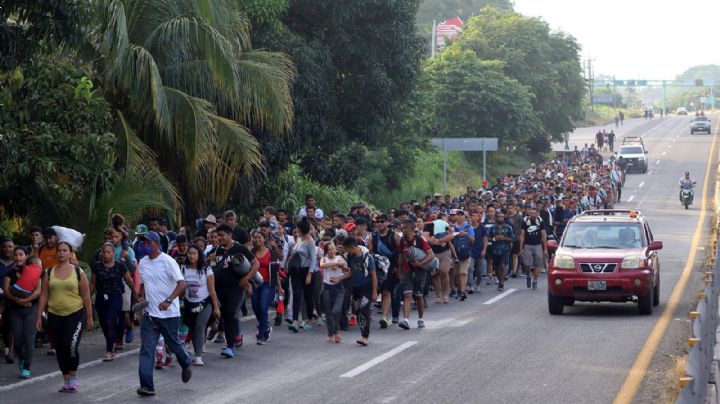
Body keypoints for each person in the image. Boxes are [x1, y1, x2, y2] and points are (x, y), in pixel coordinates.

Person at [135, 231, 192, 396]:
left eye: (147, 242)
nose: (144, 245)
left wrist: (169, 300)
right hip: (150, 315)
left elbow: (182, 284)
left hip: (169, 315)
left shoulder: (168, 261)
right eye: (142, 242)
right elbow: (144, 284)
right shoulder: (143, 263)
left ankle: (185, 361)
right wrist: (141, 298)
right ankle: (147, 386)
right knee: (147, 349)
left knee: (173, 344)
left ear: (157, 243)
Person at [35, 242, 93, 393]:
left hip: (75, 314)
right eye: (58, 251)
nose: (61, 253)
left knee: (71, 346)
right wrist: (39, 316)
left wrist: (89, 317)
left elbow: (86, 296)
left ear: (70, 253)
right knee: (60, 349)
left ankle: (74, 376)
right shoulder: (49, 272)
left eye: (64, 250)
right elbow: (44, 295)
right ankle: (66, 379)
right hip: (54, 315)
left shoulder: (78, 272)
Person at [213, 223, 258, 358]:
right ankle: (233, 337)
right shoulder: (217, 250)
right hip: (219, 288)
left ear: (230, 235)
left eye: (222, 235)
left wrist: (247, 279)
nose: (219, 238)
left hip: (236, 288)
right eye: (218, 235)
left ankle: (230, 345)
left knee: (231, 314)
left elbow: (256, 264)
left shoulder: (240, 248)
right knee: (222, 315)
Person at [90, 243, 137, 362]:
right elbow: (92, 283)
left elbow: (129, 280)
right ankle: (112, 340)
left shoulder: (120, 265)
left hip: (115, 297)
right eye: (104, 252)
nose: (105, 255)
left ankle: (109, 351)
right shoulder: (97, 266)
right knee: (104, 324)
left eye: (108, 252)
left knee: (110, 320)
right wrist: (87, 298)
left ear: (113, 253)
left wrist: (135, 293)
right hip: (101, 297)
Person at [3, 246, 42, 378]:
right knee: (18, 341)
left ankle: (27, 367)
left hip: (31, 308)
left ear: (26, 256)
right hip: (15, 309)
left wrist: (26, 301)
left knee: (29, 339)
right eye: (16, 254)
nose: (18, 257)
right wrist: (17, 300)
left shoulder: (34, 271)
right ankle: (21, 357)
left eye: (21, 254)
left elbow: (38, 291)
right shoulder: (10, 273)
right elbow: (6, 290)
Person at [181, 245, 219, 366]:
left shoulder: (206, 269)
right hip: (189, 303)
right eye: (190, 253)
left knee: (199, 327)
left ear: (199, 255)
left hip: (205, 302)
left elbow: (212, 289)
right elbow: (180, 288)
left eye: (195, 253)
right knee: (192, 328)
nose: (192, 256)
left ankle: (198, 356)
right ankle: (194, 350)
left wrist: (216, 307)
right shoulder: (183, 269)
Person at [398, 219, 434, 330]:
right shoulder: (402, 240)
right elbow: (400, 256)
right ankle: (406, 320)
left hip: (420, 271)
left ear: (409, 228)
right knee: (407, 294)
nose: (402, 230)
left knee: (419, 296)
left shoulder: (420, 239)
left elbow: (431, 255)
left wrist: (421, 264)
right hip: (407, 271)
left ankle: (421, 319)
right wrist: (400, 271)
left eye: (403, 227)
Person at [342, 237, 377, 346]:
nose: (347, 252)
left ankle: (365, 337)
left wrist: (374, 291)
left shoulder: (367, 257)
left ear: (352, 247)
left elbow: (373, 275)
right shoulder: (350, 257)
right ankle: (363, 334)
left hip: (366, 287)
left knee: (364, 311)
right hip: (355, 287)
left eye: (347, 249)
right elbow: (351, 272)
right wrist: (339, 278)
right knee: (357, 312)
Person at [250, 231, 282, 345]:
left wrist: (280, 286)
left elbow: (275, 270)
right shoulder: (251, 252)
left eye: (260, 238)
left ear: (264, 239)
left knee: (263, 306)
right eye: (255, 238)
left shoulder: (271, 253)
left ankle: (262, 334)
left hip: (267, 283)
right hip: (255, 283)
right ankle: (266, 326)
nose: (257, 240)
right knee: (255, 306)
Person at [287, 218, 317, 332]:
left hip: (306, 270)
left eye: (297, 227)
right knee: (296, 294)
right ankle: (295, 321)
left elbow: (314, 260)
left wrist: (309, 274)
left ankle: (309, 319)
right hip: (296, 271)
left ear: (299, 228)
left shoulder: (311, 242)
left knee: (308, 297)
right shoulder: (298, 239)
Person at [320, 242, 349, 342]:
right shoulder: (324, 259)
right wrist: (334, 264)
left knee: (336, 310)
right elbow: (322, 265)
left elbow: (347, 268)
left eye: (333, 248)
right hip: (327, 287)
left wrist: (340, 266)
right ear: (326, 251)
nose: (332, 251)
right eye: (329, 249)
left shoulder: (340, 258)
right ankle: (330, 334)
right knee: (328, 312)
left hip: (339, 288)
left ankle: (336, 331)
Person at [519, 208, 547, 291]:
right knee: (527, 264)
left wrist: (545, 249)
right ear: (529, 214)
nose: (533, 215)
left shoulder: (540, 221)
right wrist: (521, 248)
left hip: (538, 245)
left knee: (537, 265)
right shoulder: (525, 221)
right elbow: (522, 235)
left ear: (537, 214)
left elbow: (544, 235)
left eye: (534, 213)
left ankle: (535, 281)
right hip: (527, 245)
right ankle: (528, 275)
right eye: (531, 213)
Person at [487, 211, 515, 292]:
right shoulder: (492, 228)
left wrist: (504, 238)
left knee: (502, 266)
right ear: (496, 218)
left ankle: (501, 283)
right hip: (494, 250)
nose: (500, 218)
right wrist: (494, 238)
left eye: (502, 217)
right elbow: (487, 238)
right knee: (496, 267)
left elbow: (513, 238)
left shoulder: (508, 227)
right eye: (499, 217)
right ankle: (500, 280)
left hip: (504, 249)